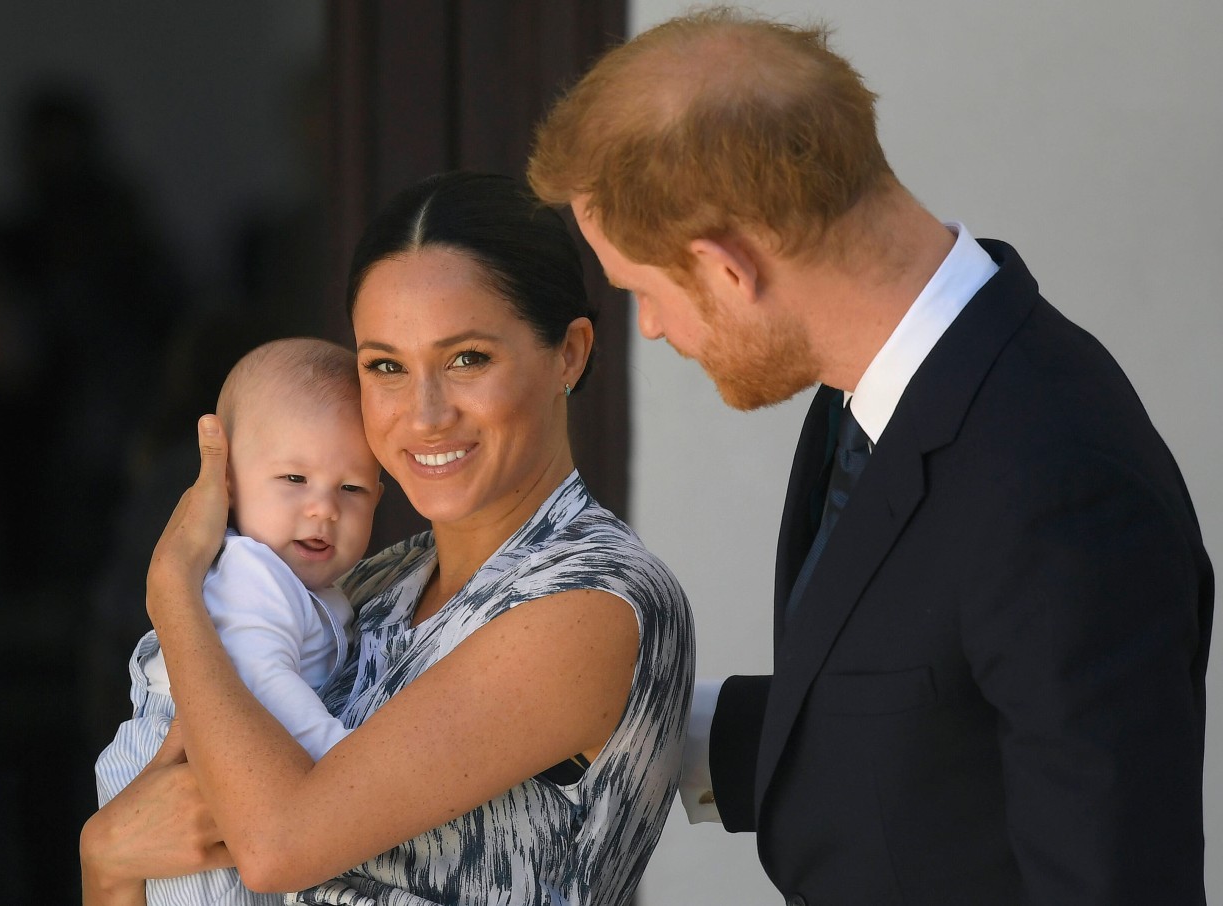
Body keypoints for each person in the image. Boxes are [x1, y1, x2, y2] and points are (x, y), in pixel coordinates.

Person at [527, 7, 1213, 905]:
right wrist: (609, 717)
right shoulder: (878, 388)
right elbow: (920, 721)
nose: (651, 328)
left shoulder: (1059, 480)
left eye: (643, 293)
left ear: (728, 268)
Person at [80, 171, 696, 906]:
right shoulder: (364, 588)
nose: (425, 414)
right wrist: (104, 859)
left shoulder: (591, 600)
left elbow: (276, 847)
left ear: (569, 353)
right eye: (386, 367)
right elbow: (163, 861)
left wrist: (173, 590)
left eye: (468, 358)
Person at [94, 337, 382, 905]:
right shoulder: (252, 573)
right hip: (183, 775)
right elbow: (263, 682)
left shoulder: (319, 589)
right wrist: (346, 769)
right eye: (294, 480)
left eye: (351, 488)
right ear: (225, 486)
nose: (324, 508)